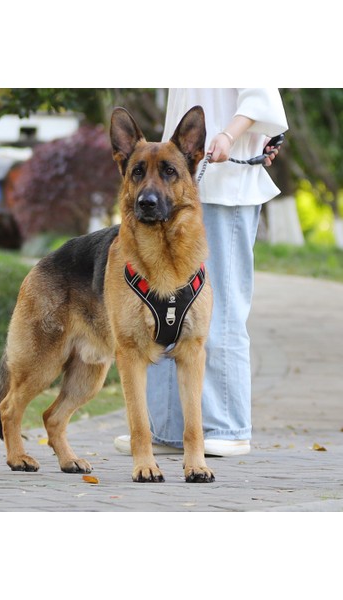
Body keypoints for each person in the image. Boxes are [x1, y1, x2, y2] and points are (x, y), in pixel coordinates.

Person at [114, 88, 289, 457]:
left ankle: (226, 427)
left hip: (228, 187)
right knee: (163, 315)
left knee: (219, 311)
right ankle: (166, 429)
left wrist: (230, 135)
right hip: (183, 186)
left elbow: (260, 94)